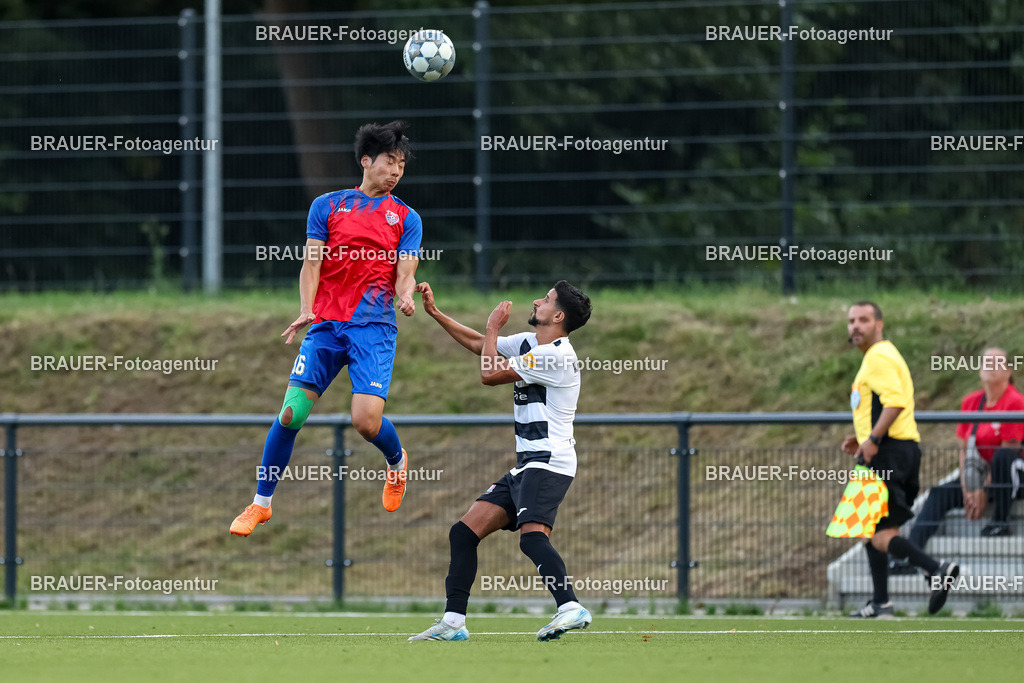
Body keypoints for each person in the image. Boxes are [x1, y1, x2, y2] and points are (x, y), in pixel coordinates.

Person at [229, 121, 421, 537]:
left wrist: (405, 294)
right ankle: (261, 504)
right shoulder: (328, 206)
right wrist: (305, 309)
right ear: (366, 161)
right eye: (390, 162)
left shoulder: (406, 217)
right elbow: (311, 263)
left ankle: (397, 462)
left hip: (373, 328)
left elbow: (406, 270)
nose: (396, 172)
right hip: (327, 326)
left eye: (402, 166)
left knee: (366, 422)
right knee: (290, 414)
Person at [408, 280, 593, 642]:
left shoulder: (555, 354)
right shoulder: (529, 343)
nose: (537, 300)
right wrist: (435, 313)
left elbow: (489, 373)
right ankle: (452, 622)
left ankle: (570, 607)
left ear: (557, 316)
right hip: (528, 462)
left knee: (532, 539)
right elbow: (482, 347)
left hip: (549, 460)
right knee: (463, 533)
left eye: (547, 300)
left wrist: (494, 325)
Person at [841, 301, 959, 617]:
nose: (855, 326)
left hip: (887, 452)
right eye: (851, 320)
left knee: (880, 535)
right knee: (867, 528)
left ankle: (936, 570)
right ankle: (881, 602)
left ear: (879, 324)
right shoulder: (880, 356)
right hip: (894, 449)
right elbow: (888, 403)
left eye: (863, 320)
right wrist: (864, 437)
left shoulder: (878, 356)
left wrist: (874, 439)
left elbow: (894, 404)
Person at [903, 347, 1024, 550]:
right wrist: (968, 488)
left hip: (1013, 476)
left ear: (1008, 371)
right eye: (986, 361)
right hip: (980, 473)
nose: (990, 366)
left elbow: (1009, 450)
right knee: (939, 493)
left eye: (997, 362)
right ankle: (909, 553)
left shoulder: (1015, 401)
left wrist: (983, 490)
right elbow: (963, 451)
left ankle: (1000, 521)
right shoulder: (971, 402)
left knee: (1002, 457)